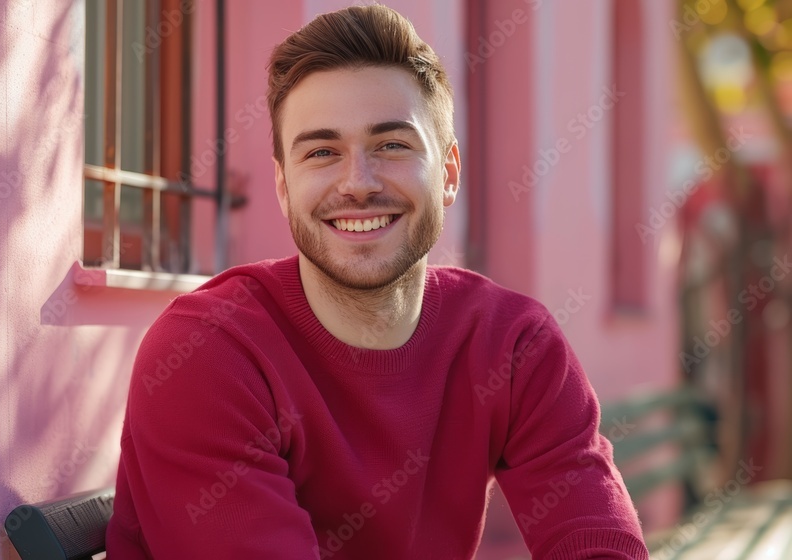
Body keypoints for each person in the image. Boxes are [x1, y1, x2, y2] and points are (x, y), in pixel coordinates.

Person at [106, 5, 648, 559]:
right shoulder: (208, 354)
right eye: (321, 152)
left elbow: (597, 541)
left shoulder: (513, 344)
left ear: (449, 173)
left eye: (391, 145)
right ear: (284, 186)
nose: (358, 184)